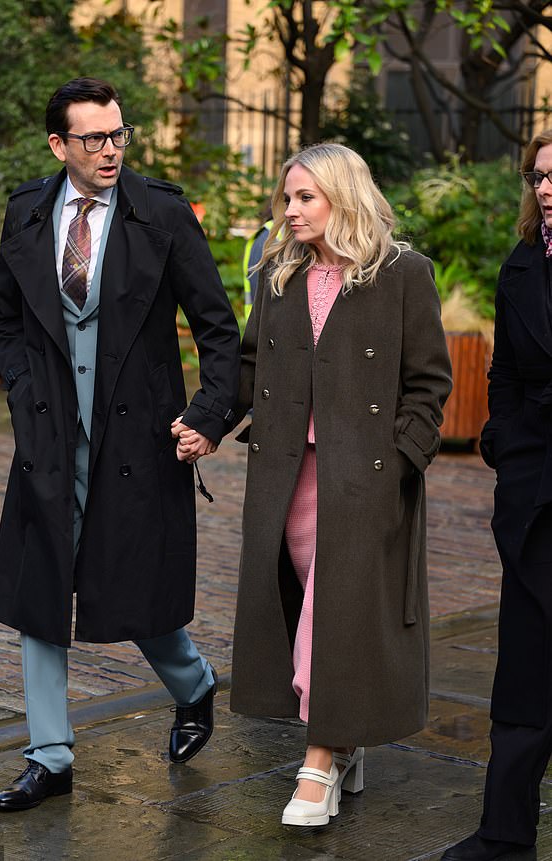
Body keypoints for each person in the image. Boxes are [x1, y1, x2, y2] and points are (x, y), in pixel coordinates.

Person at [0, 77, 240, 811]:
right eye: (93, 138)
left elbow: (218, 327)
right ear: (59, 144)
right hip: (50, 437)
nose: (110, 150)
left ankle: (194, 684)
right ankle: (50, 754)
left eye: (118, 134)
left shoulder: (160, 212)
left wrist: (208, 414)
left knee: (134, 594)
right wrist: (26, 393)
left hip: (140, 437)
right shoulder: (28, 213)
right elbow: (6, 317)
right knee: (42, 589)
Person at [228, 142, 452, 827]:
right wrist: (204, 423)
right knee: (319, 606)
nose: (290, 211)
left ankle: (318, 763)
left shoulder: (403, 273)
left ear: (341, 197)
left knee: (338, 604)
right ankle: (346, 736)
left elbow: (429, 381)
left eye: (305, 198)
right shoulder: (280, 274)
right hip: (290, 470)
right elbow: (244, 364)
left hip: (370, 476)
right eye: (287, 198)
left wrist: (401, 460)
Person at [441, 131, 552, 861]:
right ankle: (505, 832)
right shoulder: (521, 265)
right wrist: (507, 448)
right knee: (526, 663)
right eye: (538, 176)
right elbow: (505, 375)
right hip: (537, 487)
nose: (546, 189)